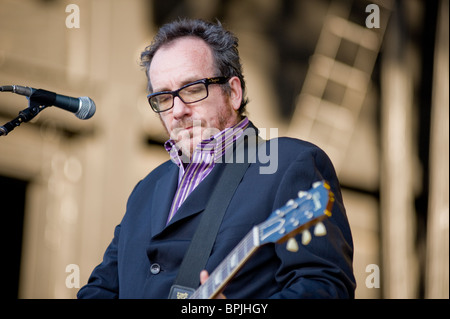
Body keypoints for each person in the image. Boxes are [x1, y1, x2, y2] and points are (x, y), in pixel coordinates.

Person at [77, 18, 356, 299]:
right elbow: (99, 289)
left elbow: (327, 288)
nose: (177, 110)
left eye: (193, 89)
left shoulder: (289, 164)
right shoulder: (145, 190)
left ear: (233, 92)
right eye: (163, 97)